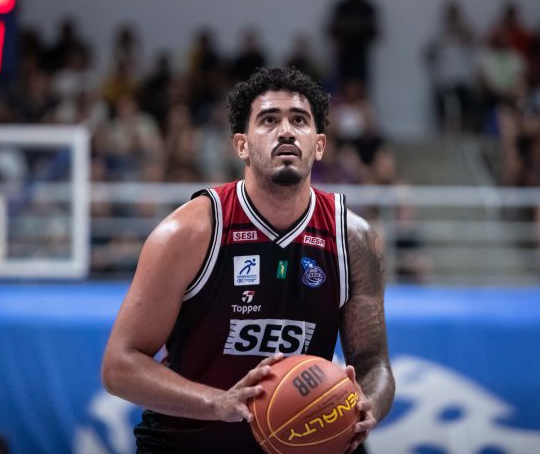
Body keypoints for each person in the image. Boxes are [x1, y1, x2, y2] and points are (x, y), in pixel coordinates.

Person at [101, 67, 395, 453]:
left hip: (299, 444)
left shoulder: (353, 239)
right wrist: (217, 403)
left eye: (299, 120)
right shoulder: (189, 232)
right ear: (241, 145)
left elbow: (375, 364)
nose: (286, 131)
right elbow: (119, 366)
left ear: (319, 145)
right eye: (269, 120)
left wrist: (369, 404)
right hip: (187, 443)